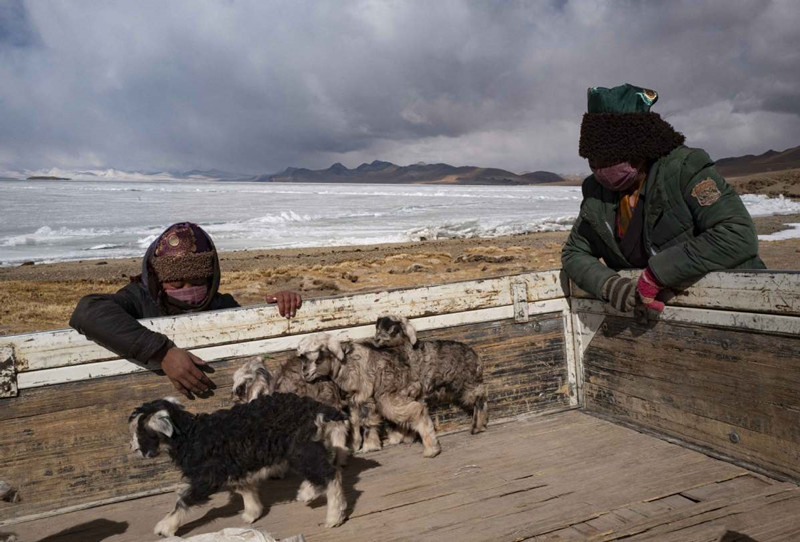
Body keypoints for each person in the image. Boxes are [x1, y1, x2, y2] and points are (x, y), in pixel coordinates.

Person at [562, 84, 765, 313]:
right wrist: (609, 284)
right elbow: (574, 252)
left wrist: (656, 275)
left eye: (609, 159)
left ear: (639, 150)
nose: (600, 170)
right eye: (592, 161)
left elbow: (737, 234)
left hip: (739, 305)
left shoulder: (684, 169)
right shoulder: (596, 191)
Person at [70, 222, 302, 398]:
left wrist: (276, 309)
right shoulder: (139, 299)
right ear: (158, 279)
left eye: (197, 282)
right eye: (177, 284)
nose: (187, 291)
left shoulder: (222, 304)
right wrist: (162, 353)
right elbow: (88, 311)